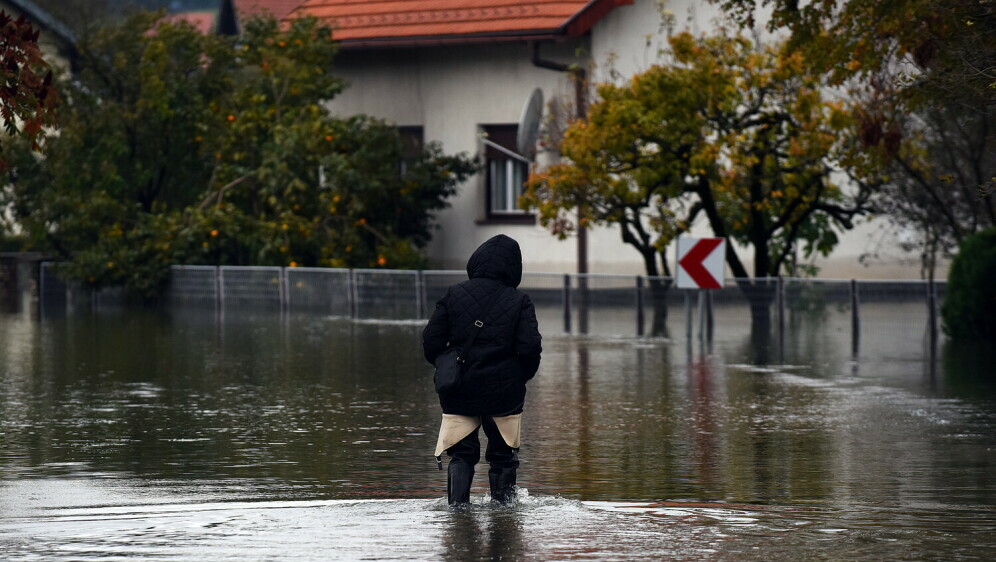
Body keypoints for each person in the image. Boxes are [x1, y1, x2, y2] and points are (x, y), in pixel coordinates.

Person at [422, 234, 542, 506]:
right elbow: (530, 347)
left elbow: (431, 341)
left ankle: (457, 512)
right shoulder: (519, 300)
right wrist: (520, 377)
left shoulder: (453, 294)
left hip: (459, 388)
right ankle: (504, 513)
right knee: (503, 456)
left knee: (461, 454)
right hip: (504, 393)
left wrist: (446, 366)